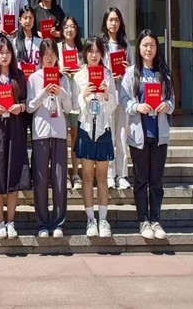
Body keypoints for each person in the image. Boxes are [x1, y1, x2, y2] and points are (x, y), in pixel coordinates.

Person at [119, 29, 175, 240]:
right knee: (141, 179)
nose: (148, 49)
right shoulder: (131, 73)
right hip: (139, 135)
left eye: (152, 45)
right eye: (145, 45)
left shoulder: (163, 73)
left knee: (156, 180)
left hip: (159, 134)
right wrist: (137, 106)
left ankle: (155, 219)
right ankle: (143, 220)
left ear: (157, 48)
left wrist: (166, 105)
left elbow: (172, 101)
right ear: (139, 48)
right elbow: (124, 99)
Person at [0, 37, 29, 239]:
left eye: (8, 52)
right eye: (0, 52)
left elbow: (25, 102)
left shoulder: (19, 75)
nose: (4, 56)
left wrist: (20, 107)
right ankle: (0, 222)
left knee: (14, 173)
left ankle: (11, 221)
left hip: (15, 128)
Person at [27, 39, 73, 238]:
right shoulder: (34, 78)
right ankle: (43, 223)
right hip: (40, 132)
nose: (49, 58)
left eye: (52, 54)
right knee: (40, 179)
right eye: (46, 54)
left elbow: (69, 108)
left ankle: (59, 222)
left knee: (59, 179)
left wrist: (61, 94)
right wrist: (43, 92)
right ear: (40, 56)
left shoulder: (63, 78)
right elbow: (29, 107)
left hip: (59, 132)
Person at [74, 36, 116, 238]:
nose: (93, 55)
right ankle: (90, 219)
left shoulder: (107, 75)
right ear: (85, 53)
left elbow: (113, 105)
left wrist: (106, 96)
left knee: (102, 176)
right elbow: (74, 105)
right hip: (85, 127)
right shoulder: (79, 76)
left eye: (97, 51)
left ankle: (103, 219)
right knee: (87, 176)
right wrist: (83, 94)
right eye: (90, 51)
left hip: (103, 128)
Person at [102, 7, 134, 191]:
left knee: (121, 135)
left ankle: (121, 174)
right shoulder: (102, 45)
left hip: (122, 93)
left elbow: (133, 72)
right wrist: (109, 75)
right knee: (109, 135)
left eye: (116, 20)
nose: (113, 23)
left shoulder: (125, 45)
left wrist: (127, 69)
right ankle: (109, 174)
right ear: (105, 22)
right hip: (107, 94)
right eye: (110, 20)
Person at [58, 16, 84, 191]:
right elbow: (50, 67)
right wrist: (61, 70)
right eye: (66, 26)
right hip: (61, 97)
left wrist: (80, 70)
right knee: (62, 136)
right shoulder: (57, 47)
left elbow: (88, 69)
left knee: (75, 135)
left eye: (72, 26)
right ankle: (65, 174)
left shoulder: (81, 50)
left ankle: (75, 173)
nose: (69, 29)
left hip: (77, 96)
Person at [13, 5, 41, 69]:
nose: (28, 21)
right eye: (25, 18)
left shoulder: (40, 42)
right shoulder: (14, 42)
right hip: (20, 75)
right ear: (20, 20)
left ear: (34, 19)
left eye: (30, 18)